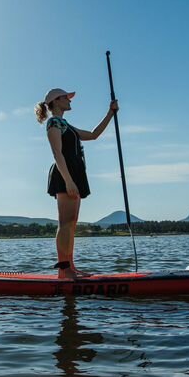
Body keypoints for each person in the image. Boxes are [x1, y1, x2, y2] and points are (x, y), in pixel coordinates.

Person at [35, 88, 119, 279]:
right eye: (66, 97)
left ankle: (70, 267)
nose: (70, 100)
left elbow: (94, 134)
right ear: (56, 101)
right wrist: (68, 181)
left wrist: (110, 113)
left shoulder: (67, 125)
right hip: (65, 175)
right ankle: (64, 270)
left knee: (71, 225)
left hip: (74, 175)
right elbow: (57, 153)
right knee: (65, 224)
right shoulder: (54, 123)